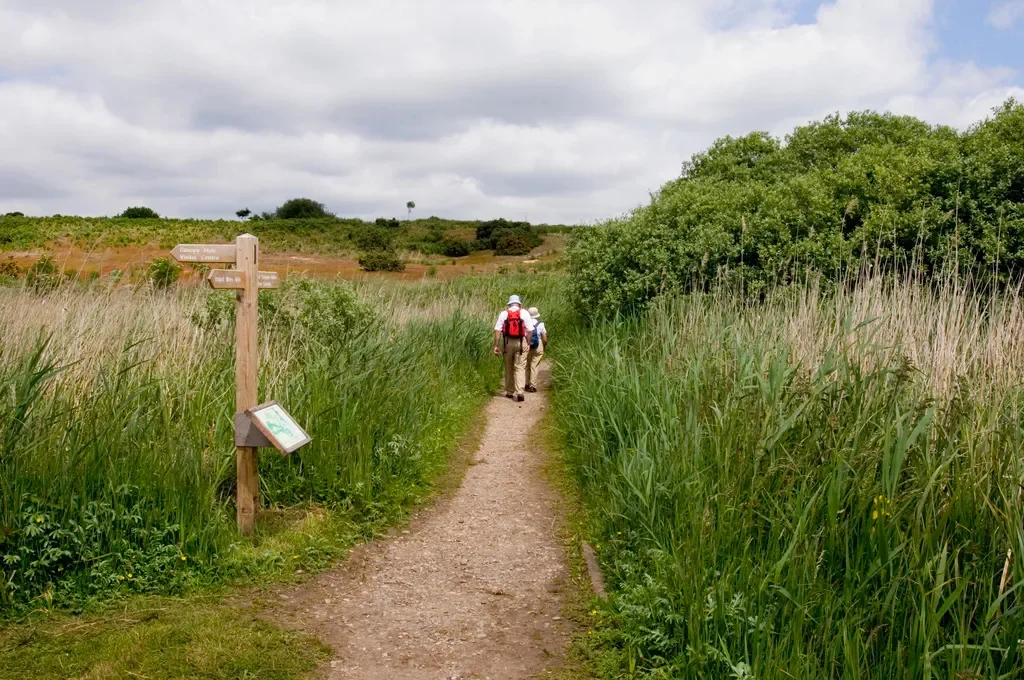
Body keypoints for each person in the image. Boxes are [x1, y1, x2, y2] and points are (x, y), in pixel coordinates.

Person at [493, 295, 535, 402]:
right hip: (521, 342)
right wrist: (528, 343)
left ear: (509, 304)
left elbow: (498, 331)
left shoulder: (504, 313)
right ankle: (520, 391)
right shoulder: (524, 313)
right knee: (520, 367)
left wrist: (496, 345)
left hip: (507, 343)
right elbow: (530, 330)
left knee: (508, 367)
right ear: (519, 303)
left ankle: (509, 392)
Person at [525, 306, 547, 393]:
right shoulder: (541, 324)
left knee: (527, 365)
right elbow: (544, 339)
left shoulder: (525, 324)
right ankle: (532, 386)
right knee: (534, 365)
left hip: (527, 344)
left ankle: (526, 383)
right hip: (538, 344)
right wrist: (544, 347)